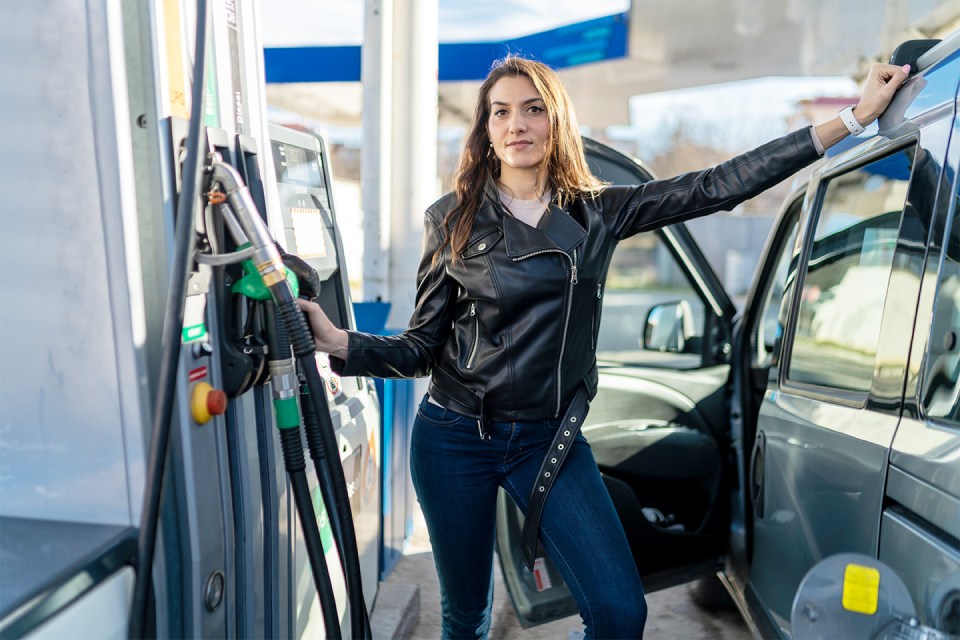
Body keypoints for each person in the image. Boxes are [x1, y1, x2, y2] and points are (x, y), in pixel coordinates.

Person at [298, 55, 910, 639]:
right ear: (485, 130)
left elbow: (717, 186)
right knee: (465, 618)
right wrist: (341, 341)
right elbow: (419, 348)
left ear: (556, 121)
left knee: (620, 615)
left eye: (533, 110)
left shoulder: (599, 212)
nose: (518, 125)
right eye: (502, 112)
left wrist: (852, 120)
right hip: (455, 436)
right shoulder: (451, 219)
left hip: (547, 438)